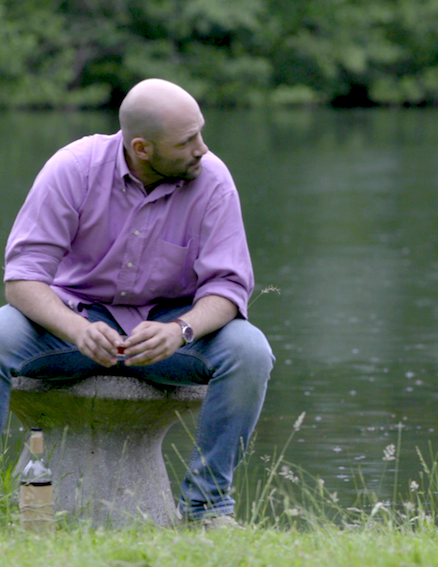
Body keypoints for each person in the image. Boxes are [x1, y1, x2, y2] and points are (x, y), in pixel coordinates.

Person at [1, 78, 274, 529]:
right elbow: (23, 279)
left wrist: (180, 330)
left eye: (200, 134)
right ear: (142, 148)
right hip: (73, 323)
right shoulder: (73, 168)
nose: (202, 149)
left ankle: (207, 509)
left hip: (169, 332)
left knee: (249, 351)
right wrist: (75, 329)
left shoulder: (213, 180)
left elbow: (227, 288)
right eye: (187, 141)